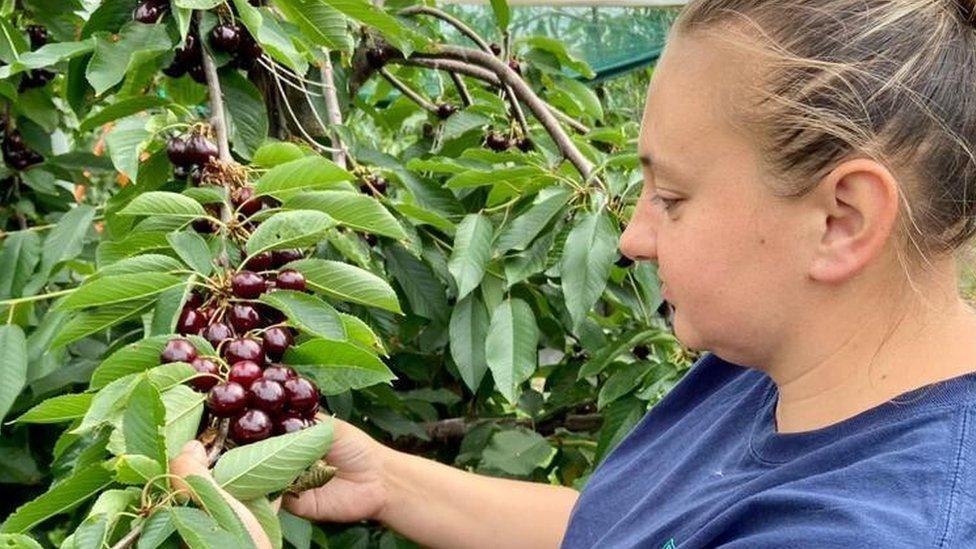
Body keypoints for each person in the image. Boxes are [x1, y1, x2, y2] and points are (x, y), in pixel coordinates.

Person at [172, 0, 976, 546]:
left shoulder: (879, 528)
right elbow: (638, 528)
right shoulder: (779, 361)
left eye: (671, 195)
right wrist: (390, 480)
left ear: (842, 220)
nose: (631, 236)